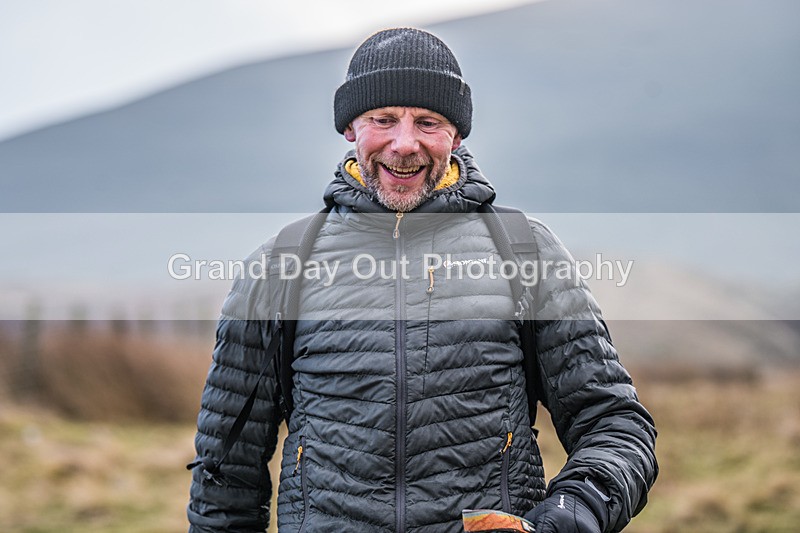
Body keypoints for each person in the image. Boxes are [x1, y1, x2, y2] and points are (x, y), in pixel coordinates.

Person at [187, 27, 657, 533]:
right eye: (383, 119)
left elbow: (614, 424)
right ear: (351, 128)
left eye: (428, 122)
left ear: (456, 135)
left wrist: (573, 513)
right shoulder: (281, 264)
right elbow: (226, 473)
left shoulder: (525, 252)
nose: (404, 144)